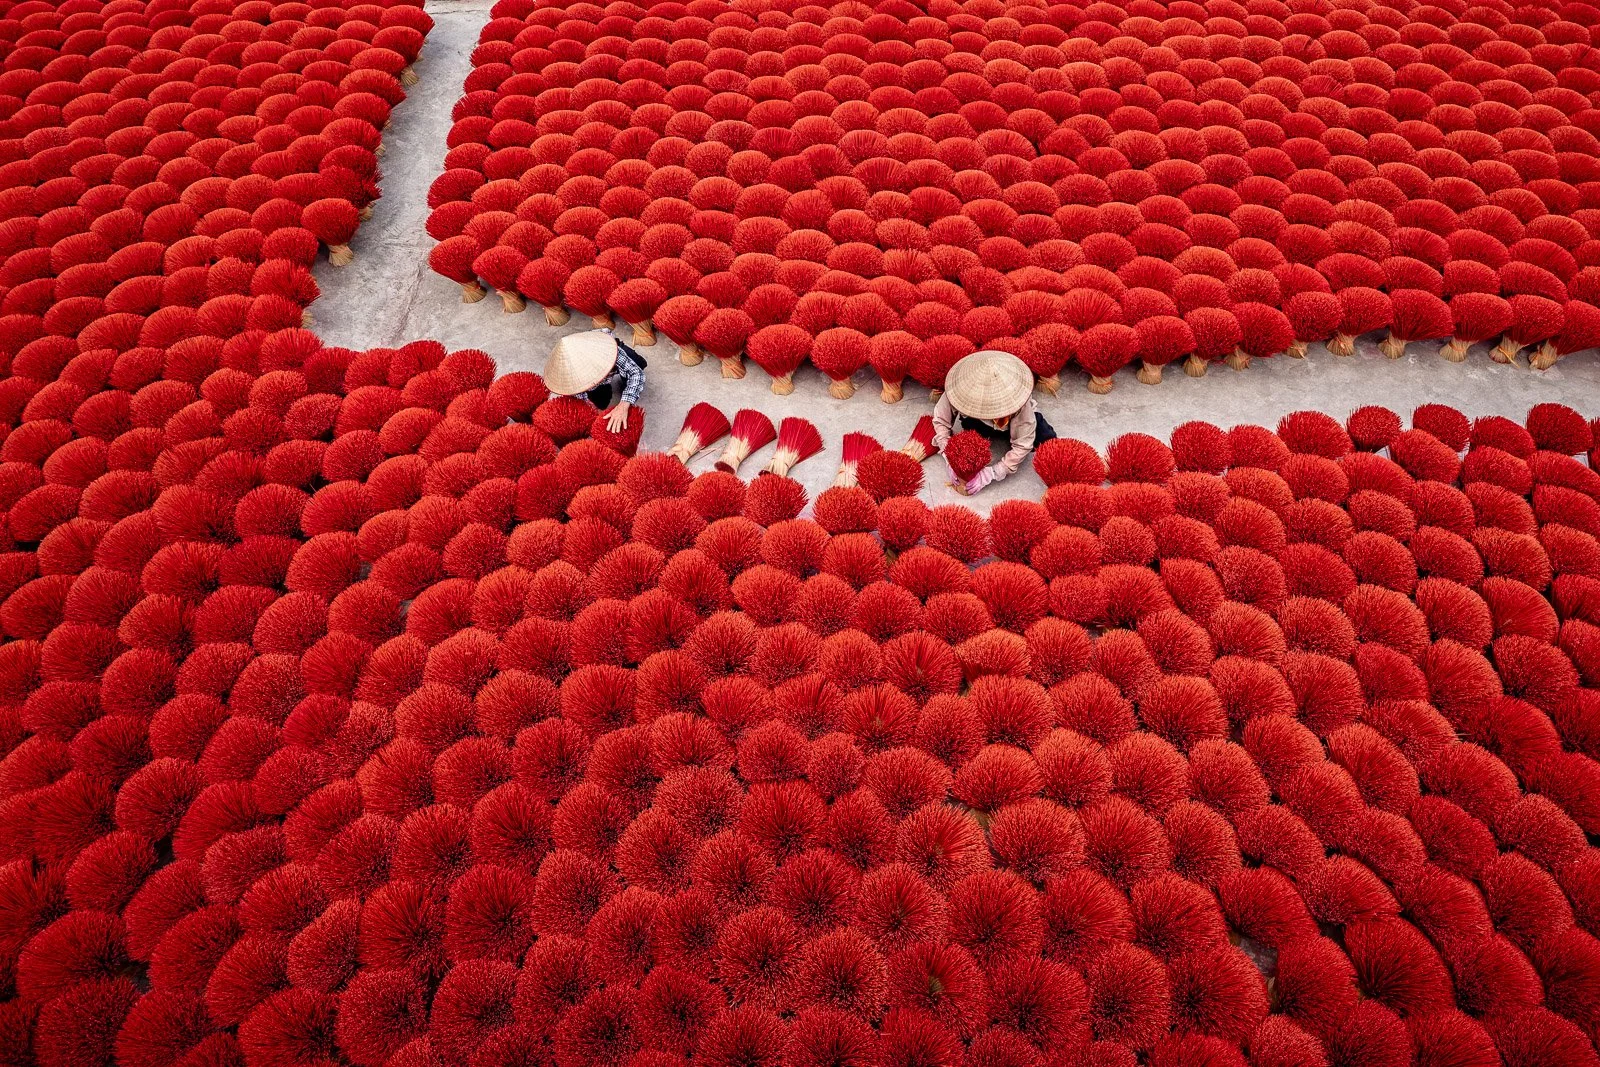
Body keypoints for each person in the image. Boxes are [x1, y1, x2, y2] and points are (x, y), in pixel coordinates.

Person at [932, 349, 1057, 495]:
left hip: (1015, 422)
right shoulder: (959, 387)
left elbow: (1022, 445)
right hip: (976, 422)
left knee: (1047, 440)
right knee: (969, 445)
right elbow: (941, 421)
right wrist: (948, 455)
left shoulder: (1019, 404)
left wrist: (993, 472)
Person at [543, 328, 648, 432]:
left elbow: (636, 373)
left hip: (611, 348)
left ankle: (625, 381)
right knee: (602, 402)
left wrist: (624, 405)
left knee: (639, 364)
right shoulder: (566, 375)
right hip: (596, 381)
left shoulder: (606, 350)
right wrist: (589, 405)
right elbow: (579, 393)